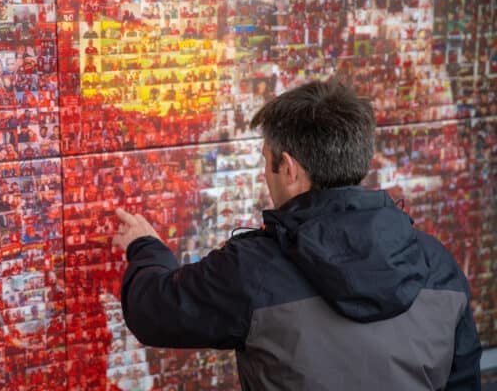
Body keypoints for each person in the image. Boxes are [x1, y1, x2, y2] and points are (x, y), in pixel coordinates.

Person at [113, 78, 481, 390]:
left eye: (265, 160)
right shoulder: (438, 265)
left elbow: (152, 311)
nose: (264, 175)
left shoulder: (253, 269)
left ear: (289, 169)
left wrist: (145, 247)